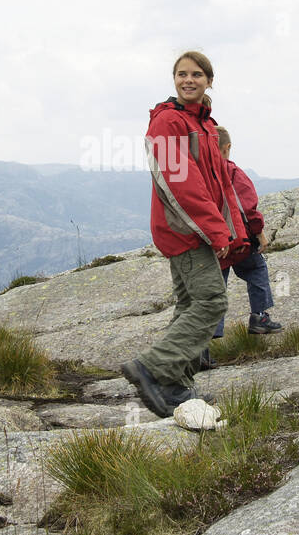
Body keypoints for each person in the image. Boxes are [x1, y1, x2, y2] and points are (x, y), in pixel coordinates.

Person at [121, 51, 250, 417]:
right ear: (173, 79)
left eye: (196, 74)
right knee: (211, 302)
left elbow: (220, 185)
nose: (188, 80)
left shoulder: (206, 126)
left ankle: (174, 383)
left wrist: (234, 232)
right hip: (183, 229)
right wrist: (214, 232)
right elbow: (183, 186)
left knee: (192, 304)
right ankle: (153, 367)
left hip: (197, 229)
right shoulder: (168, 122)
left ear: (209, 81)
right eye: (181, 74)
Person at [211, 126, 283, 338]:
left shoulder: (201, 175)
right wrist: (259, 232)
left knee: (216, 288)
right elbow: (246, 207)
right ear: (227, 148)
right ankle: (259, 317)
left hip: (214, 242)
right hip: (239, 240)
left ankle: (209, 336)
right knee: (256, 271)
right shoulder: (231, 172)